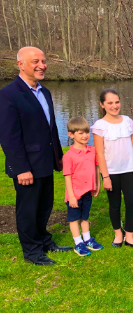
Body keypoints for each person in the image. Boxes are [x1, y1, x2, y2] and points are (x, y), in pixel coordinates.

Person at [0, 47, 71, 265]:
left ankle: (44, 241)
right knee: (28, 209)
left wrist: (57, 157)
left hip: (45, 161)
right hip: (26, 165)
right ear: (20, 64)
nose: (42, 65)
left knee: (45, 204)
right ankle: (31, 251)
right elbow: (9, 136)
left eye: (43, 60)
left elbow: (50, 129)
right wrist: (21, 168)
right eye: (35, 61)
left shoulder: (45, 92)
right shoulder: (9, 94)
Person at [92, 88, 133, 249]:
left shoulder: (127, 121)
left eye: (117, 102)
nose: (114, 106)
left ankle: (129, 235)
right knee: (115, 204)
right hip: (111, 172)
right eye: (110, 103)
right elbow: (99, 153)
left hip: (129, 169)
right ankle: (118, 234)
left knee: (131, 203)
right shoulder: (100, 126)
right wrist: (105, 177)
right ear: (102, 105)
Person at [63, 117, 103, 256]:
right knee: (74, 219)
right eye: (80, 133)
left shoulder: (92, 151)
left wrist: (97, 184)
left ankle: (87, 240)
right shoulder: (68, 156)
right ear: (71, 134)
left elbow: (97, 168)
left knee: (85, 217)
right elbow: (67, 177)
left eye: (86, 132)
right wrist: (72, 196)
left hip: (88, 192)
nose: (85, 136)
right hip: (75, 193)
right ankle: (78, 243)